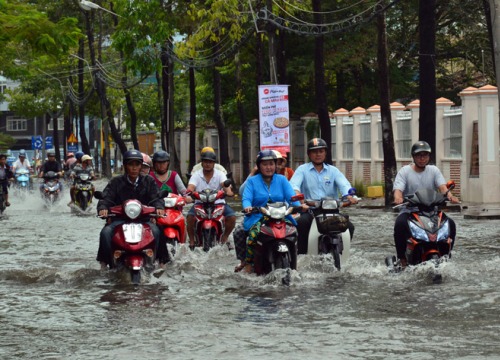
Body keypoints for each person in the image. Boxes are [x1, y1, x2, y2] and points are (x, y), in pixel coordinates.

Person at [393, 141, 459, 268]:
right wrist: (398, 198)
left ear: (429, 156)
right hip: (410, 211)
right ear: (413, 156)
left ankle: (447, 254)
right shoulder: (405, 171)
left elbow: (443, 187)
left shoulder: (433, 170)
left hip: (431, 211)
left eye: (425, 155)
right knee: (400, 224)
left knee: (450, 223)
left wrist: (450, 196)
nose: (422, 158)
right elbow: (398, 190)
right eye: (419, 155)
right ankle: (402, 258)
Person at [96, 149, 165, 269]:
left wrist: (159, 208)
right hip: (119, 220)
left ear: (141, 166)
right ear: (125, 166)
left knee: (158, 231)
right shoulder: (116, 182)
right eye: (131, 164)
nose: (134, 168)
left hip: (144, 220)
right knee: (105, 233)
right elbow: (106, 198)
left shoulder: (149, 181)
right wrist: (103, 208)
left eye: (137, 164)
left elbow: (157, 198)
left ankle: (160, 262)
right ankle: (107, 263)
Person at [289, 138, 358, 254]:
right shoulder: (302, 170)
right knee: (302, 223)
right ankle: (302, 255)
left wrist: (350, 196)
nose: (318, 154)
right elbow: (294, 186)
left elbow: (344, 185)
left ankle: (343, 255)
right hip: (311, 211)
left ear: (325, 153)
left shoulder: (333, 171)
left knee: (349, 226)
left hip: (332, 211)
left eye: (321, 151)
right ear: (309, 154)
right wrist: (298, 196)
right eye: (314, 151)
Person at [238, 150, 302, 273]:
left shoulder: (282, 180)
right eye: (265, 164)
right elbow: (246, 198)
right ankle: (248, 264)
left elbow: (292, 197)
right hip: (259, 217)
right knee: (252, 235)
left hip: (281, 216)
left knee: (294, 232)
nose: (269, 167)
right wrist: (247, 207)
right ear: (259, 166)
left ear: (275, 165)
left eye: (271, 164)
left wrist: (300, 206)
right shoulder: (252, 181)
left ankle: (294, 264)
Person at [186, 150, 235, 249]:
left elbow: (224, 185)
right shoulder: (196, 175)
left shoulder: (220, 174)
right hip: (200, 203)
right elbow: (191, 187)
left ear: (214, 163)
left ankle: (225, 237)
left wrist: (228, 191)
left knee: (232, 217)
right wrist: (189, 193)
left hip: (218, 203)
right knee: (189, 217)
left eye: (210, 162)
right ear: (202, 163)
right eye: (205, 161)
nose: (208, 164)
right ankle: (191, 241)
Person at [149, 150, 190, 267]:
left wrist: (187, 197)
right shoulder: (150, 177)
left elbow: (183, 191)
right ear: (154, 164)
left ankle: (183, 245)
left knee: (184, 222)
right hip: (156, 212)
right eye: (158, 163)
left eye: (164, 162)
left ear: (168, 163)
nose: (161, 165)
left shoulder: (174, 175)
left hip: (174, 210)